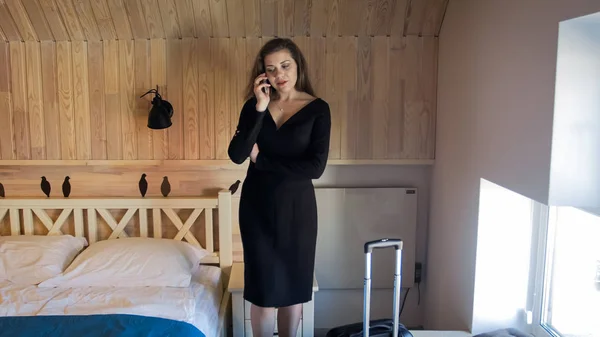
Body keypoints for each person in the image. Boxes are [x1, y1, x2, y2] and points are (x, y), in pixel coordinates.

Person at [227, 38, 331, 337]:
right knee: (262, 285)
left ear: (298, 65)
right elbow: (237, 155)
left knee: (292, 286)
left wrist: (263, 160)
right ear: (263, 74)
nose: (279, 74)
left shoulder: (318, 109)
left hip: (297, 209)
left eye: (285, 65)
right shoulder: (254, 106)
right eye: (271, 69)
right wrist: (260, 108)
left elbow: (315, 168)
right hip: (257, 207)